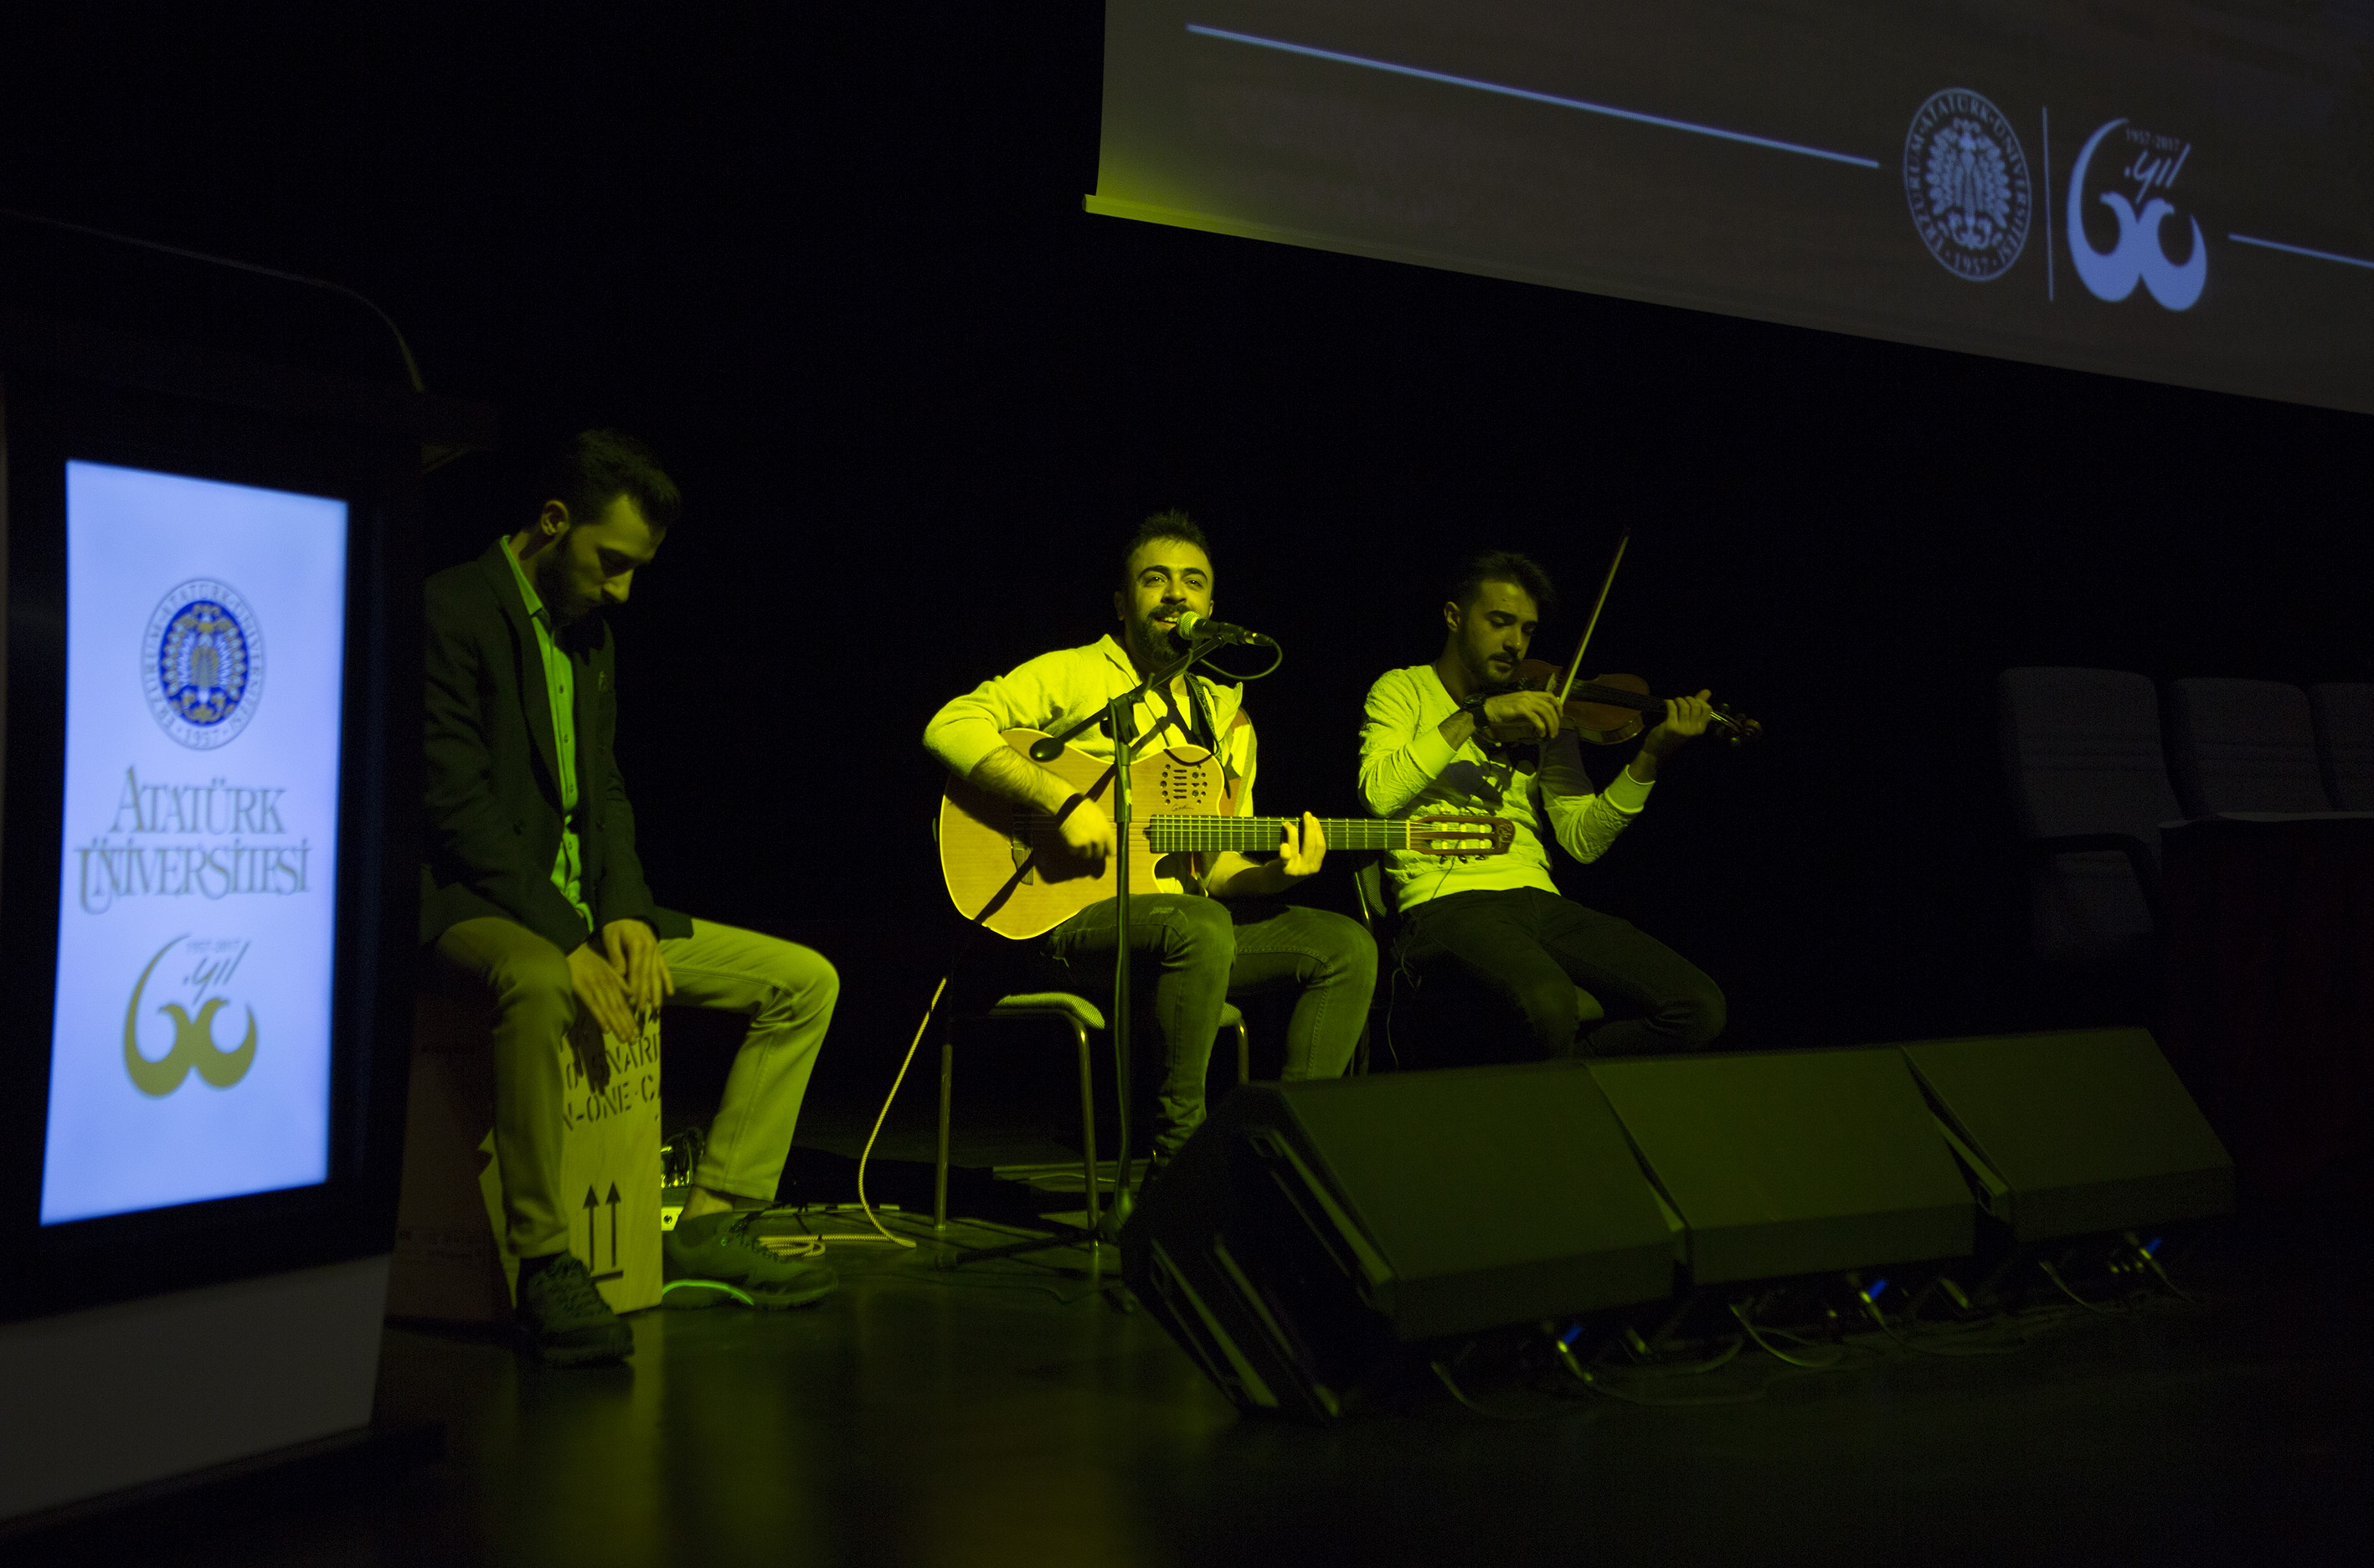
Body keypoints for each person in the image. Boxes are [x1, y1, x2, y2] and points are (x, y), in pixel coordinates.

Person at [422, 429, 839, 1366]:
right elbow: (454, 803)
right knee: (537, 982)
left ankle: (714, 1220)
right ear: (552, 521)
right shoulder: (454, 607)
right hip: (476, 903)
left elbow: (602, 791)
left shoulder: (590, 636)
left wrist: (623, 910)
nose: (621, 589)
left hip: (581, 911)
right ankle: (545, 1262)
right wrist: (565, 934)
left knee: (804, 982)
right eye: (611, 562)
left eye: (635, 569)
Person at [922, 510, 1377, 1191]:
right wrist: (1061, 801)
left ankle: (1288, 1158)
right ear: (1121, 601)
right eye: (1154, 579)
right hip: (1063, 919)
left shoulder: (1227, 720)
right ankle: (1179, 1162)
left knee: (1344, 946)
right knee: (1200, 925)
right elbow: (949, 724)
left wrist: (1277, 874)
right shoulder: (1075, 674)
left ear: (1210, 608)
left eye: (1192, 582)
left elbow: (1217, 871)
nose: (1174, 594)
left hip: (1185, 928)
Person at [1357, 549, 1726, 1062]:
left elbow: (1582, 839)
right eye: (1500, 622)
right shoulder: (1404, 688)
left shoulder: (1542, 708)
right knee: (1549, 1004)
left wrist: (1651, 757)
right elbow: (1378, 794)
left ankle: (1554, 1086)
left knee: (1698, 1006)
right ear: (1454, 616)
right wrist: (1477, 716)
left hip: (1540, 898)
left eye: (1527, 630)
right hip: (1446, 905)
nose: (1515, 643)